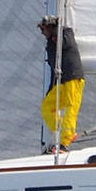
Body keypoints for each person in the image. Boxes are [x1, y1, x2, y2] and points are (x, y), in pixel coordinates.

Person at [38, 15, 84, 151]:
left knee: (71, 107)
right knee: (47, 107)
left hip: (73, 77)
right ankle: (65, 130)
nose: (42, 33)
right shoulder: (50, 44)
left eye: (43, 29)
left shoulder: (65, 33)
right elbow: (54, 67)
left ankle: (66, 140)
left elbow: (65, 44)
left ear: (51, 27)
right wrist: (50, 90)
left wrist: (57, 30)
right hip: (61, 81)